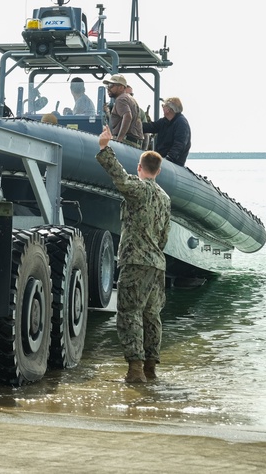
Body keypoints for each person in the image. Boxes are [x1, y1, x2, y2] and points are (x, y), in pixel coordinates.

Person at [96, 125, 171, 383]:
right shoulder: (165, 198)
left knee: (129, 312)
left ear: (140, 168)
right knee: (151, 316)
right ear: (158, 171)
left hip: (135, 260)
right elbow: (164, 236)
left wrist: (105, 148)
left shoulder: (140, 190)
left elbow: (119, 177)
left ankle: (135, 369)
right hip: (157, 264)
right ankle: (151, 368)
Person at [142, 97, 192, 166]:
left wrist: (169, 158)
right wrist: (137, 126)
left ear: (169, 109)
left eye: (163, 106)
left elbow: (179, 144)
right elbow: (152, 127)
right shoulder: (164, 121)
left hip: (175, 162)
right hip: (161, 157)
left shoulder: (181, 123)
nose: (162, 108)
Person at [102, 74, 143, 147]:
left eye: (111, 85)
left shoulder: (120, 99)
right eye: (107, 86)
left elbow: (127, 116)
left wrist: (119, 140)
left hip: (126, 142)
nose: (108, 88)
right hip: (134, 143)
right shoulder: (131, 99)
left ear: (121, 87)